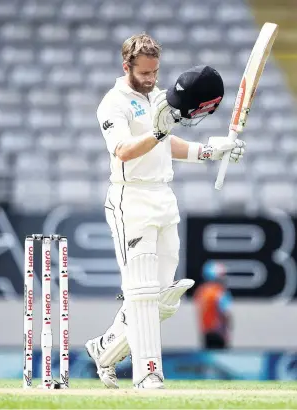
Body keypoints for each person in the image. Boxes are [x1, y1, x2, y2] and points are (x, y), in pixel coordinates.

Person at [85, 33, 245, 389]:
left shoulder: (158, 96)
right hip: (132, 198)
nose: (151, 78)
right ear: (126, 66)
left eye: (155, 71)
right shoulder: (113, 103)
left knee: (162, 299)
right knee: (141, 292)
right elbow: (124, 150)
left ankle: (105, 348)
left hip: (163, 197)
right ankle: (147, 373)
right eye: (144, 72)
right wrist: (158, 133)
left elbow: (167, 142)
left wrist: (209, 152)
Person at [194, 262, 232, 349]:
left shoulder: (201, 291)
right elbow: (225, 313)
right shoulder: (220, 292)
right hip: (219, 332)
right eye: (222, 275)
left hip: (206, 332)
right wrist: (227, 331)